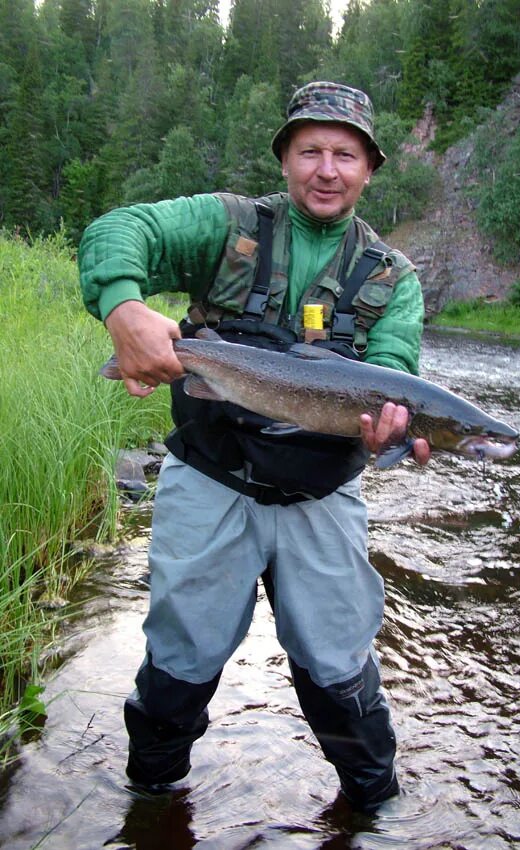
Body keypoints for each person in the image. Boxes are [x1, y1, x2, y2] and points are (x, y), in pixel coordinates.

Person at [78, 81, 430, 813]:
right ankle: (150, 801)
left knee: (338, 670)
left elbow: (393, 373)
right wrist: (123, 304)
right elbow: (120, 229)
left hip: (320, 496)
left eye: (344, 154)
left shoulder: (393, 278)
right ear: (284, 160)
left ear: (369, 169)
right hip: (211, 481)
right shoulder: (226, 224)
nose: (325, 170)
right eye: (309, 151)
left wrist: (391, 427)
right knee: (181, 660)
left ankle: (375, 813)